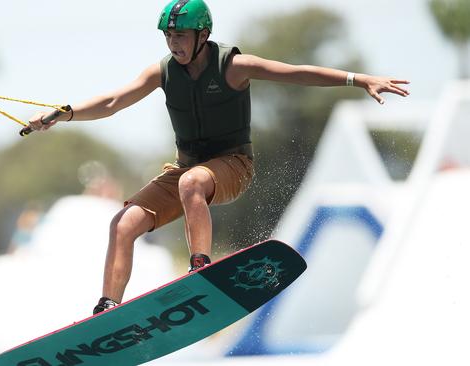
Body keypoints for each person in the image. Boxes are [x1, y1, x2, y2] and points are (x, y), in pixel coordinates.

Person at [28, 0, 410, 314]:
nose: (172, 43)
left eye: (180, 35)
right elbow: (113, 102)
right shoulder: (162, 72)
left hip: (233, 167)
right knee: (123, 223)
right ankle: (107, 308)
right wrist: (64, 113)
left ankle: (201, 271)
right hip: (185, 170)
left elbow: (295, 73)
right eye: (168, 36)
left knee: (192, 182)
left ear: (203, 35)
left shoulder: (232, 66)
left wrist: (357, 79)